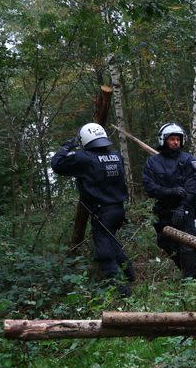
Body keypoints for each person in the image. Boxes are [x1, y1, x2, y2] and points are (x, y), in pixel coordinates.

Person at [51, 123, 134, 295]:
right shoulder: (115, 155)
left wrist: (67, 146)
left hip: (102, 212)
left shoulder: (84, 158)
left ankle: (123, 292)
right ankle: (130, 275)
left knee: (104, 253)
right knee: (111, 242)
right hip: (118, 210)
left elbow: (57, 164)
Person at [142, 122, 196, 279]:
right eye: (172, 139)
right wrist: (170, 192)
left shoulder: (190, 161)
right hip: (163, 211)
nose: (175, 142)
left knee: (188, 245)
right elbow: (149, 187)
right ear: (164, 140)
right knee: (165, 242)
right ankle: (186, 271)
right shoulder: (152, 162)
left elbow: (192, 188)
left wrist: (183, 207)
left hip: (186, 211)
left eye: (178, 139)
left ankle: (190, 280)